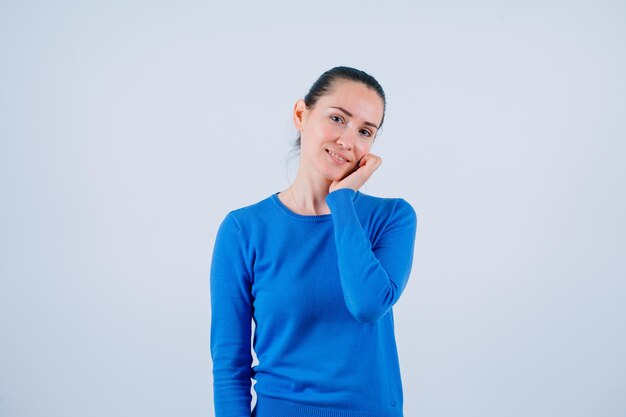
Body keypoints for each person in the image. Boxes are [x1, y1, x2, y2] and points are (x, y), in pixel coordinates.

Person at [210, 66, 418, 417]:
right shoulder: (243, 230)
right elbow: (229, 366)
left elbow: (367, 304)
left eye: (365, 131)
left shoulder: (392, 218)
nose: (348, 141)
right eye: (338, 118)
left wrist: (341, 202)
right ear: (300, 115)